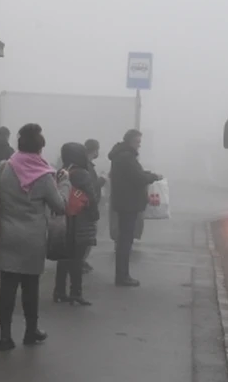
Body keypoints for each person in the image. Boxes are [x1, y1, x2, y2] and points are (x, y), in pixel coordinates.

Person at [0, 123, 66, 352]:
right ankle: (31, 331)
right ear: (39, 149)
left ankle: (4, 336)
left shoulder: (5, 167)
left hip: (7, 235)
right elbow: (59, 206)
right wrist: (65, 183)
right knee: (30, 286)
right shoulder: (44, 175)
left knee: (7, 286)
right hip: (32, 238)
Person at [108, 129, 162, 287]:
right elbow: (137, 178)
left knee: (124, 240)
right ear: (130, 141)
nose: (139, 145)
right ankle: (122, 276)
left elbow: (133, 174)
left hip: (124, 201)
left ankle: (122, 274)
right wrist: (153, 177)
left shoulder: (121, 155)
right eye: (137, 142)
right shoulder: (127, 157)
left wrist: (147, 174)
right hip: (128, 203)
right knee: (125, 241)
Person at [53, 142, 99, 305]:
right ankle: (75, 292)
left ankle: (59, 291)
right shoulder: (83, 174)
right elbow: (91, 197)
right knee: (77, 258)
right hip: (80, 219)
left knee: (64, 256)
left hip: (64, 219)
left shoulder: (61, 172)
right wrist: (95, 215)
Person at [81, 139, 106, 274]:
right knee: (89, 235)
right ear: (95, 150)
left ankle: (80, 260)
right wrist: (103, 179)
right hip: (89, 205)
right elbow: (92, 186)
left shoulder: (83, 164)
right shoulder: (88, 166)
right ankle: (80, 261)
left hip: (83, 205)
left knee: (85, 235)